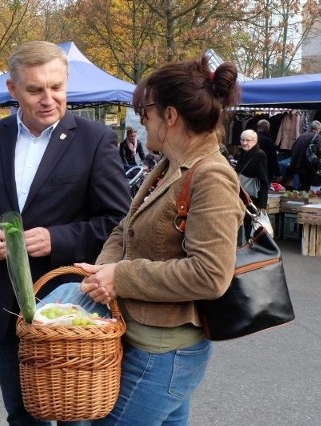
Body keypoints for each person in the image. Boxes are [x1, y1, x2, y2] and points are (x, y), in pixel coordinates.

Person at [0, 40, 131, 426]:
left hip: (72, 308)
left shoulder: (94, 139)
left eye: (57, 87)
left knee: (76, 418)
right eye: (35, 89)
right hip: (6, 304)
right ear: (13, 90)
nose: (49, 98)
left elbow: (118, 221)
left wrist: (57, 238)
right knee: (21, 415)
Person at [78, 57, 245, 425]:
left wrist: (119, 277)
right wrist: (104, 269)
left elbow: (210, 275)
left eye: (144, 110)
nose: (141, 120)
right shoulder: (171, 164)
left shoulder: (210, 176)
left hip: (163, 353)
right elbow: (127, 226)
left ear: (170, 116)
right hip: (148, 344)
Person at [236, 129, 269, 239]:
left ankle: (251, 250)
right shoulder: (242, 154)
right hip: (240, 196)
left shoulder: (259, 155)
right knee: (244, 226)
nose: (244, 143)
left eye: (248, 140)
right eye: (242, 140)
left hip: (252, 199)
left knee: (250, 228)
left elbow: (264, 181)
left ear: (255, 141)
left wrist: (262, 205)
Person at [290, 120, 321, 191]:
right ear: (318, 129)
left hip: (298, 165)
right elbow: (319, 150)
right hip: (309, 166)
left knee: (303, 186)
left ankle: (302, 198)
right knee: (309, 186)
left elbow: (293, 148)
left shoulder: (301, 136)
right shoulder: (317, 136)